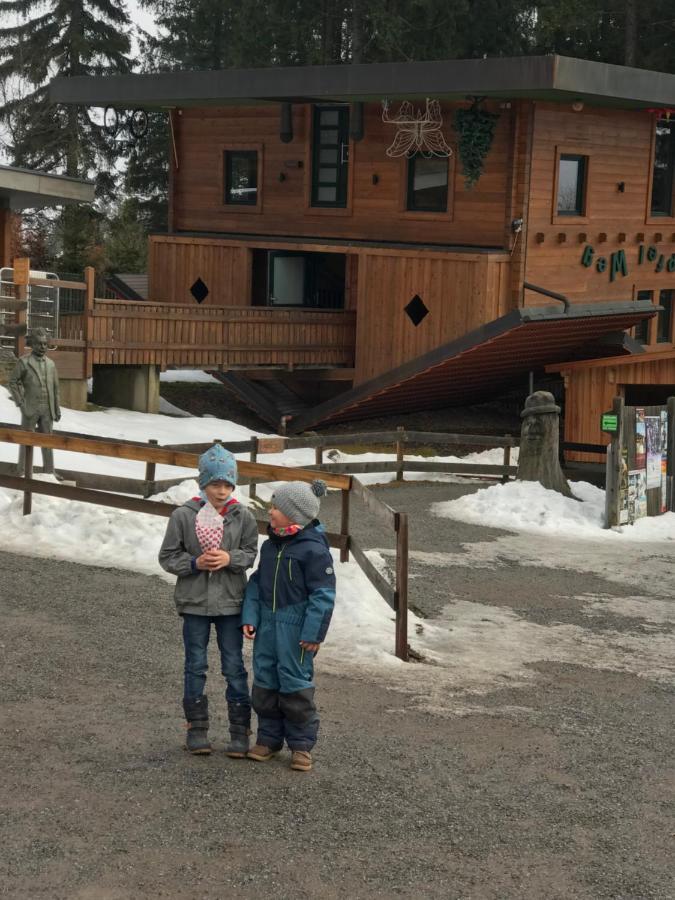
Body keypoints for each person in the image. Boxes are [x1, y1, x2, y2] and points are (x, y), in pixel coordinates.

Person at [158, 444, 259, 757]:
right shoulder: (183, 516)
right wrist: (194, 564)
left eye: (228, 484)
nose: (222, 491)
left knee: (233, 666)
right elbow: (167, 556)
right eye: (216, 484)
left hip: (231, 603)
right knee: (196, 665)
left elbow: (251, 553)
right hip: (195, 604)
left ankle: (240, 732)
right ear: (202, 483)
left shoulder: (243, 516)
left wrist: (230, 557)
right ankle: (196, 728)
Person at [242, 479, 335, 772]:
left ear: (295, 514)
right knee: (265, 683)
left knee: (295, 686)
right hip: (268, 628)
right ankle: (268, 739)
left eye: (276, 508)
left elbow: (323, 595)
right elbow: (257, 584)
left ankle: (301, 745)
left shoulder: (314, 550)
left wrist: (313, 633)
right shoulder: (270, 547)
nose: (270, 512)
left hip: (296, 631)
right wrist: (250, 616)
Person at [8, 327, 62, 478]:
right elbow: (12, 382)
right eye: (39, 344)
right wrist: (21, 404)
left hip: (47, 408)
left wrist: (56, 408)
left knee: (48, 440)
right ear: (32, 344)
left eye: (45, 344)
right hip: (30, 408)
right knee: (26, 440)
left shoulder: (51, 364)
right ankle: (22, 470)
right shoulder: (24, 362)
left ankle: (49, 471)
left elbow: (56, 388)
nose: (43, 347)